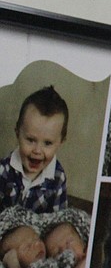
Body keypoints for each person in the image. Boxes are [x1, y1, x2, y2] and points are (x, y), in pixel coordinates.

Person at [0, 85, 70, 213]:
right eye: (31, 140)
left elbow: (58, 220)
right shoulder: (4, 170)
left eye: (48, 143)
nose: (37, 150)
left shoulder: (58, 178)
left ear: (60, 142)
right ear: (17, 133)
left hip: (38, 231)